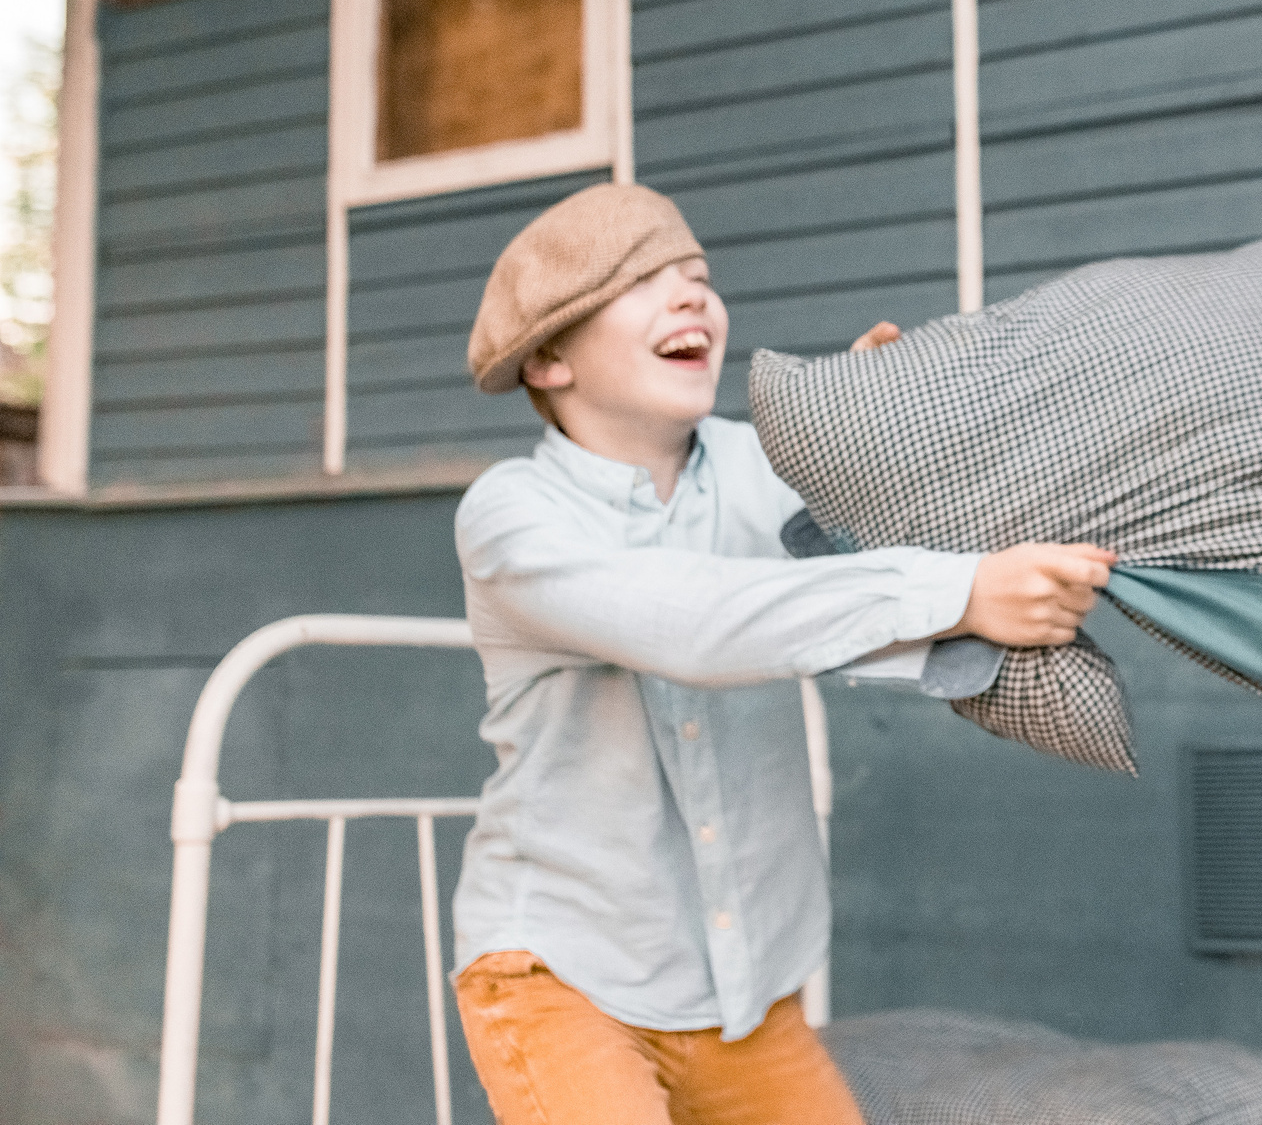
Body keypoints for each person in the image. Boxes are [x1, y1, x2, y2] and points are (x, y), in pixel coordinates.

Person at [446, 182, 1115, 1125]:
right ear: (549, 357)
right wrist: (960, 591)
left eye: (699, 278)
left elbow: (845, 561)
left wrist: (867, 429)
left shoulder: (763, 468)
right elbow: (696, 621)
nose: (690, 298)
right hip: (564, 974)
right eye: (644, 283)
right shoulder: (513, 516)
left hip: (743, 996)